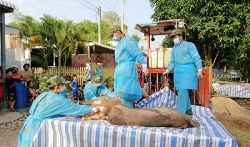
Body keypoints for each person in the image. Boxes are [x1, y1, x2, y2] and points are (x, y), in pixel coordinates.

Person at [17, 76, 97, 147]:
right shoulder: (57, 100)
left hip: (28, 125)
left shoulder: (43, 94)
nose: (65, 87)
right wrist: (94, 108)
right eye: (63, 85)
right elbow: (77, 109)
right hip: (38, 127)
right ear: (57, 86)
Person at [163, 29, 203, 115]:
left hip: (188, 71)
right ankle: (188, 110)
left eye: (175, 37)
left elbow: (196, 57)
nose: (174, 39)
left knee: (183, 91)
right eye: (173, 38)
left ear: (181, 36)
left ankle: (180, 113)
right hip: (178, 73)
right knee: (181, 91)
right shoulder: (174, 49)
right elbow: (173, 61)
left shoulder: (190, 45)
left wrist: (199, 69)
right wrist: (167, 70)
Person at [111, 28, 148, 108]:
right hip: (121, 68)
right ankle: (128, 112)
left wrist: (143, 64)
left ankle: (140, 92)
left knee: (126, 92)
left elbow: (136, 52)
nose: (113, 37)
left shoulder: (128, 40)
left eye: (113, 35)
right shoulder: (119, 44)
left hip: (127, 68)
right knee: (122, 93)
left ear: (118, 32)